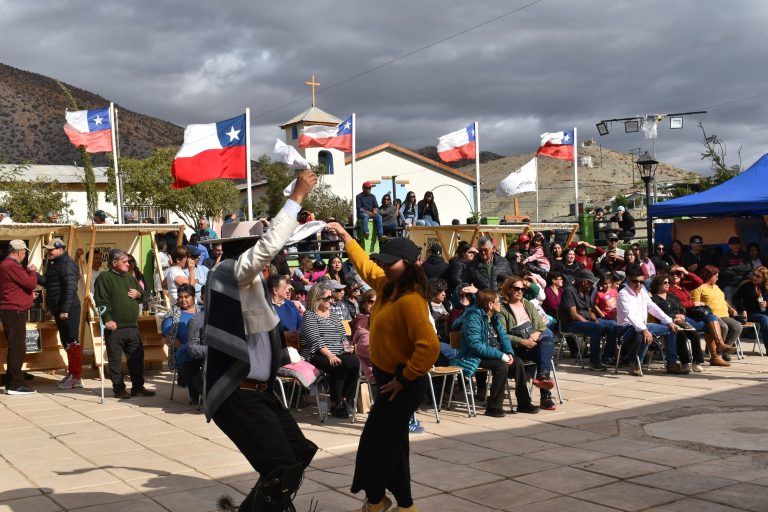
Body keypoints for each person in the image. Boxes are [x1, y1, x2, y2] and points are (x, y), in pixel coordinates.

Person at [204, 169, 319, 511]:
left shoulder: (247, 281)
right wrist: (297, 197)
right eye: (257, 247)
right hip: (238, 394)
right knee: (280, 466)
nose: (266, 258)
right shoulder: (230, 273)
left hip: (259, 393)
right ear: (248, 249)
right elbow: (269, 246)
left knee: (297, 453)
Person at [323, 222, 439, 512]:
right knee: (393, 446)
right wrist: (346, 236)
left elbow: (429, 347)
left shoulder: (411, 300)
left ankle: (377, 501)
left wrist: (405, 377)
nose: (385, 267)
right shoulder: (388, 286)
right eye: (383, 262)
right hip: (388, 380)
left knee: (377, 445)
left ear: (409, 265)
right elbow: (365, 266)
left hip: (401, 384)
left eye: (391, 263)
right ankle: (402, 505)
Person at [455, 288, 540, 417]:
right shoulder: (473, 318)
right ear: (490, 304)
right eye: (498, 302)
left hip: (495, 353)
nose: (500, 304)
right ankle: (493, 407)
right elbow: (476, 346)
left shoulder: (494, 317)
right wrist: (501, 356)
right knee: (501, 366)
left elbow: (504, 337)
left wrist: (509, 352)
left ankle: (524, 404)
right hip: (474, 355)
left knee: (518, 363)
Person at [94, 249, 155, 399]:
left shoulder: (129, 277)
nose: (129, 264)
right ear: (114, 263)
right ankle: (119, 389)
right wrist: (107, 319)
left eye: (128, 261)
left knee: (137, 359)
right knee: (115, 361)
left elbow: (145, 294)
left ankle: (138, 387)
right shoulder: (105, 277)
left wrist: (139, 294)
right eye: (125, 261)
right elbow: (101, 301)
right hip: (115, 328)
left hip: (132, 327)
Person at [300, 283, 360, 418]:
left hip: (337, 351)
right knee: (337, 367)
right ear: (316, 298)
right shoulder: (309, 315)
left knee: (354, 363)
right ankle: (335, 404)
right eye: (326, 298)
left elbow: (342, 335)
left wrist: (348, 347)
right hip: (316, 353)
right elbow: (315, 339)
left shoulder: (333, 314)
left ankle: (343, 398)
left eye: (331, 297)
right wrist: (329, 355)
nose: (330, 300)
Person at [498, 277, 557, 411]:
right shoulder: (502, 309)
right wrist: (522, 341)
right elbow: (502, 334)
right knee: (544, 355)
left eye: (522, 289)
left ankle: (543, 377)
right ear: (508, 290)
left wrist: (536, 334)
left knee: (547, 343)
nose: (520, 291)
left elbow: (542, 325)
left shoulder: (528, 305)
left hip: (533, 343)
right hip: (516, 348)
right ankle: (545, 397)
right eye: (516, 288)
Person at [617, 269, 683, 375]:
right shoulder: (623, 294)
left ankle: (671, 364)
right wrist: (644, 330)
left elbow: (653, 308)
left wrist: (669, 321)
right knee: (644, 333)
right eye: (635, 281)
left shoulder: (643, 293)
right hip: (626, 328)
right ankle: (636, 365)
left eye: (641, 282)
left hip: (642, 326)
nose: (638, 284)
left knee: (671, 329)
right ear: (628, 279)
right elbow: (630, 315)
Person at [38, 238, 82, 389]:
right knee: (66, 342)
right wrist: (34, 274)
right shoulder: (54, 263)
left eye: (51, 249)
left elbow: (71, 288)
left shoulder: (67, 264)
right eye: (48, 249)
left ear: (61, 249)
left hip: (69, 308)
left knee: (72, 341)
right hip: (59, 308)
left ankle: (76, 377)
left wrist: (65, 310)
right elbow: (48, 283)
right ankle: (72, 374)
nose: (48, 252)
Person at [667, 265, 733, 367]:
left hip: (690, 314)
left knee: (711, 318)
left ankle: (717, 350)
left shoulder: (684, 285)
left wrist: (686, 272)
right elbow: (675, 304)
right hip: (680, 317)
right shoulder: (669, 288)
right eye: (672, 273)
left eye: (678, 273)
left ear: (682, 275)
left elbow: (699, 282)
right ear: (668, 275)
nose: (675, 275)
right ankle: (716, 353)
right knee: (709, 327)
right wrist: (693, 303)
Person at [558, 269, 618, 370]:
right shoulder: (569, 291)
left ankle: (607, 358)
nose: (592, 285)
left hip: (587, 320)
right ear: (584, 282)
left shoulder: (587, 292)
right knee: (596, 328)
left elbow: (590, 310)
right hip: (572, 323)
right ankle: (594, 362)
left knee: (613, 325)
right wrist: (589, 323)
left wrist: (594, 319)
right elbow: (573, 314)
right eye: (590, 282)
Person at [0, 240, 38, 394]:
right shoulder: (11, 265)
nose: (24, 255)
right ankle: (15, 384)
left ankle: (12, 380)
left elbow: (16, 287)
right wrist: (33, 271)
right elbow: (30, 284)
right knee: (17, 348)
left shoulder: (6, 265)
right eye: (24, 252)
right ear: (19, 252)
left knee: (16, 347)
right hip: (14, 311)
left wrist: (27, 296)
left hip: (12, 310)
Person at [651, 274, 705, 373]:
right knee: (681, 335)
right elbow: (659, 314)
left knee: (695, 334)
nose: (668, 284)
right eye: (665, 282)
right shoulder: (654, 299)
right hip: (666, 323)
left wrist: (682, 315)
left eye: (668, 282)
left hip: (680, 321)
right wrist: (674, 317)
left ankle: (697, 362)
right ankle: (685, 363)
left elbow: (682, 307)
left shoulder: (672, 296)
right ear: (658, 284)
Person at [691, 265, 743, 353]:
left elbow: (722, 299)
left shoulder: (716, 287)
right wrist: (710, 314)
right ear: (709, 276)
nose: (717, 278)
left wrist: (730, 308)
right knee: (724, 327)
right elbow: (696, 305)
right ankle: (715, 351)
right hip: (711, 316)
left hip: (724, 315)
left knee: (737, 326)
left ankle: (725, 350)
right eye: (716, 276)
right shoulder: (699, 288)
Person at [161, 284, 199, 401]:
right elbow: (169, 334)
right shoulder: (173, 314)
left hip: (203, 349)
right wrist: (183, 347)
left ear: (193, 297)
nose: (183, 300)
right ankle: (196, 396)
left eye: (186, 297)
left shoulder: (202, 310)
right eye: (180, 297)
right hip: (185, 351)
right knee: (188, 360)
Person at [733, 266, 768, 353]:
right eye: (754, 274)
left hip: (764, 311)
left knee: (765, 318)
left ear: (764, 278)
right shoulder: (746, 285)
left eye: (758, 276)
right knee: (765, 319)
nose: (754, 277)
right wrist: (742, 310)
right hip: (751, 313)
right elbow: (736, 298)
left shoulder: (766, 287)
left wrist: (767, 304)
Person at [351, 289, 377, 395]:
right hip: (372, 367)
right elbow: (366, 348)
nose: (374, 305)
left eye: (377, 302)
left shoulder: (380, 318)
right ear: (363, 304)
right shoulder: (362, 322)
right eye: (371, 302)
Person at [719, 236, 751, 303]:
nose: (736, 246)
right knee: (730, 304)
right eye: (734, 244)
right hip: (729, 285)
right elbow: (723, 271)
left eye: (738, 243)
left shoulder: (745, 255)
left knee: (743, 304)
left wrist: (732, 268)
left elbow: (748, 267)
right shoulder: (725, 256)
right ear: (729, 245)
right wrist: (740, 272)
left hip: (743, 283)